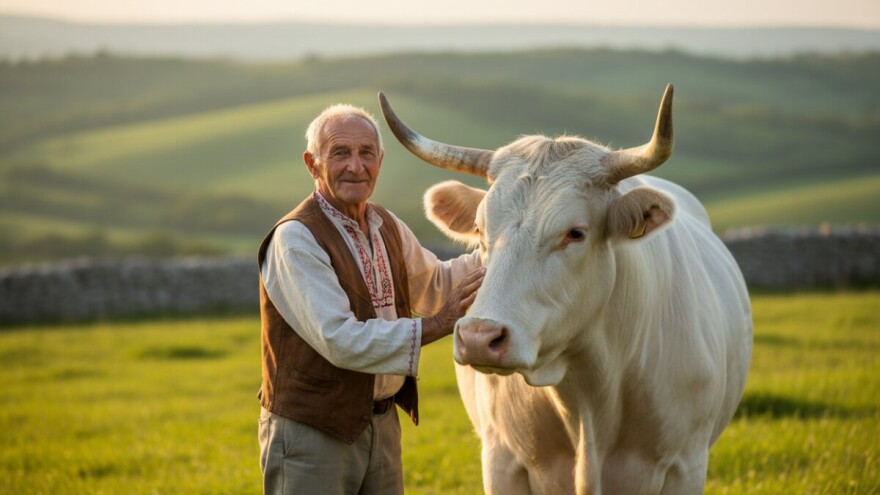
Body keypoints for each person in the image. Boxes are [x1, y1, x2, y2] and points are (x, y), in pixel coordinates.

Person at [257, 103, 484, 495]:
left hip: (381, 425)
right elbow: (340, 339)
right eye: (340, 153)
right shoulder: (295, 238)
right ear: (312, 164)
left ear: (380, 160)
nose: (356, 166)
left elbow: (436, 285)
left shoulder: (386, 225)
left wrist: (505, 249)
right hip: (313, 434)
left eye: (366, 153)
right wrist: (436, 325)